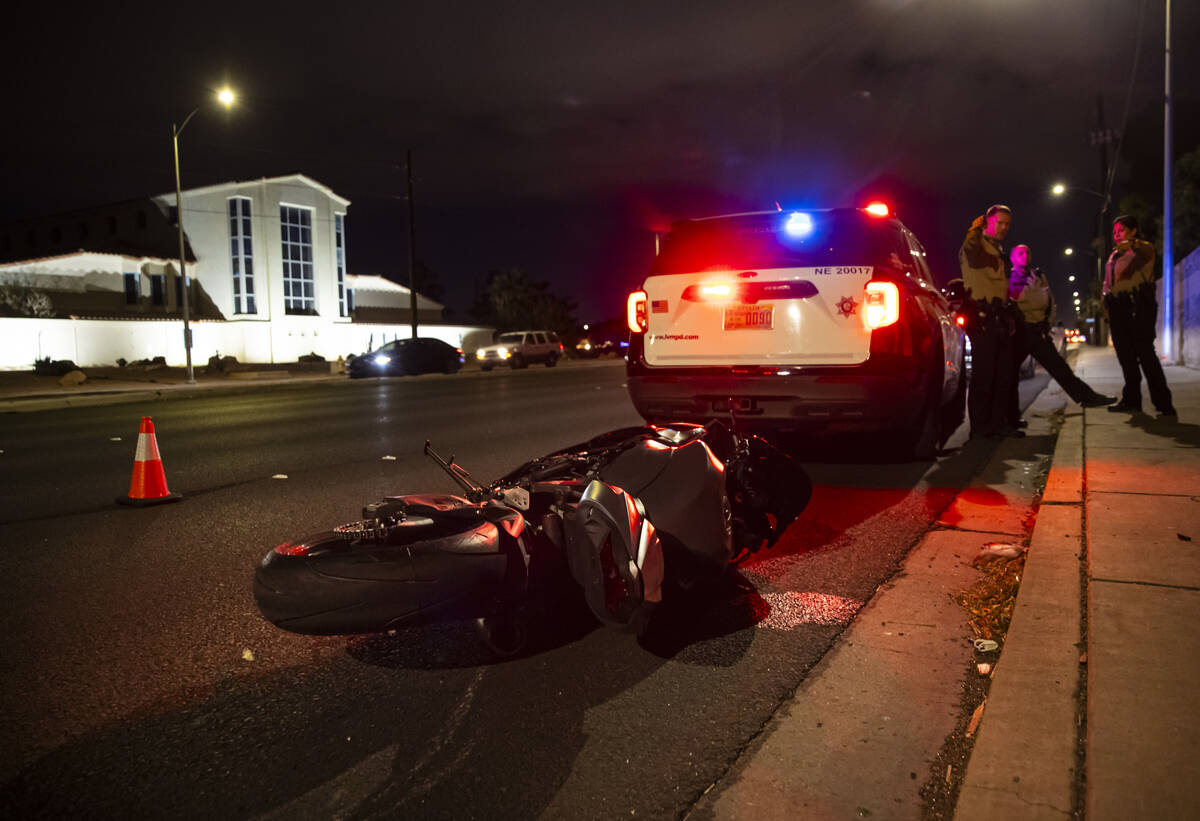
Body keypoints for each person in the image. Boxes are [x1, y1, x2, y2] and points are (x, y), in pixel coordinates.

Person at [1008, 244, 1115, 408]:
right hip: (1021, 331)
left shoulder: (1038, 276)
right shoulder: (1010, 278)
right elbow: (1016, 301)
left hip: (1038, 330)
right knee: (1009, 376)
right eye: (1020, 253)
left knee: (1059, 368)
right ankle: (1010, 418)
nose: (1025, 255)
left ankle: (1087, 397)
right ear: (1012, 258)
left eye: (1028, 252)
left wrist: (1048, 322)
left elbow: (1050, 301)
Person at [958, 204, 1022, 439]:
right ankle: (980, 429)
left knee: (1003, 375)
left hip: (1000, 319)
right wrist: (975, 229)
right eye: (1000, 222)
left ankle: (998, 424)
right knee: (984, 376)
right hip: (983, 318)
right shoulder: (975, 246)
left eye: (1007, 224)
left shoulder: (997, 248)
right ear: (988, 222)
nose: (1004, 227)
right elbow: (971, 249)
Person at [1102, 216, 1176, 417]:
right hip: (1118, 308)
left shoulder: (1143, 249)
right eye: (1115, 231)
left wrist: (1132, 244)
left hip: (1137, 306)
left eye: (1122, 230)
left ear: (1133, 231)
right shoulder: (1113, 256)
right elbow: (1108, 283)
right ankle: (1132, 400)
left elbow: (1147, 252)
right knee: (1126, 357)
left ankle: (1164, 404)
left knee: (1145, 354)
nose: (1117, 234)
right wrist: (1105, 301)